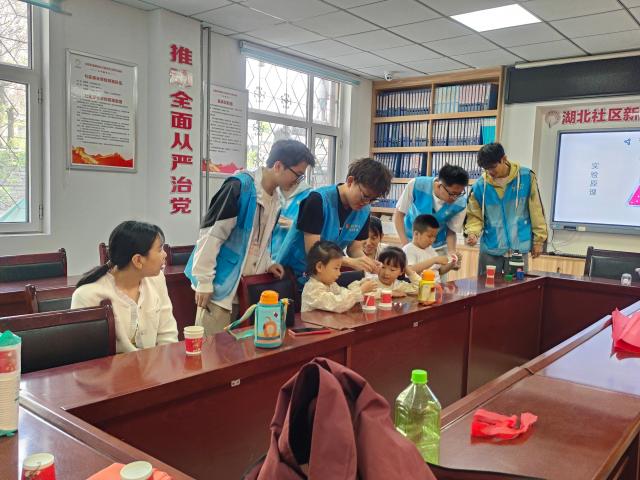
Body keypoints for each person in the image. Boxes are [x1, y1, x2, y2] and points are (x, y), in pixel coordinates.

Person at [185, 139, 315, 334]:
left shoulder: (276, 201)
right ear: (278, 166)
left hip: (246, 287)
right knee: (211, 346)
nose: (298, 182)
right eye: (297, 175)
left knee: (240, 347)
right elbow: (211, 235)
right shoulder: (239, 187)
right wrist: (204, 281)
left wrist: (268, 263)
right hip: (219, 286)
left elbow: (261, 240)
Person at [277, 157, 392, 285]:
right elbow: (313, 251)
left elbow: (354, 249)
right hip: (292, 274)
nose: (366, 202)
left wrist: (367, 263)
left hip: (323, 278)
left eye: (372, 200)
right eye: (365, 196)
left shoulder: (364, 211)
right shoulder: (317, 200)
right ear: (350, 181)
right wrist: (349, 262)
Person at [71, 221, 178, 353]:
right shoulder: (87, 296)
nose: (165, 254)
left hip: (152, 364)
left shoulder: (156, 279)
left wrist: (163, 363)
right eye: (160, 249)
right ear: (138, 260)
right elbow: (85, 353)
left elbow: (167, 334)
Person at [464, 142, 548, 275]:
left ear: (504, 159)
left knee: (517, 286)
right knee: (487, 286)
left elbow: (537, 211)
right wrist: (473, 233)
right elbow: (474, 216)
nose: (490, 172)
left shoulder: (526, 178)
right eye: (486, 169)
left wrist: (539, 240)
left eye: (493, 167)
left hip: (518, 246)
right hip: (491, 247)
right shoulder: (480, 186)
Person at [393, 164, 469, 255]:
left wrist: (452, 252)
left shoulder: (461, 203)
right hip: (411, 240)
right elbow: (399, 215)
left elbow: (451, 231)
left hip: (438, 245)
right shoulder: (416, 185)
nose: (455, 198)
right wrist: (406, 245)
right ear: (439, 185)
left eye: (459, 194)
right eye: (452, 193)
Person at [301, 241, 376, 313]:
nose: (339, 273)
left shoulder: (331, 285)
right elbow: (339, 304)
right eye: (336, 268)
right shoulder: (312, 290)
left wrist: (360, 284)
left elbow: (345, 293)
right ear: (319, 267)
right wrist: (361, 290)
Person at [402, 214, 457, 283]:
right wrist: (434, 260)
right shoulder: (409, 250)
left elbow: (440, 271)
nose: (433, 240)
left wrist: (452, 263)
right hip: (421, 287)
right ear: (416, 234)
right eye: (429, 236)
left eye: (435, 236)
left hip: (436, 286)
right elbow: (409, 271)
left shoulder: (430, 249)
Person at [352, 246, 421, 298]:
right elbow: (354, 292)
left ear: (401, 272)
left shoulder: (399, 286)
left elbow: (420, 288)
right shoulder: (370, 281)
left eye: (392, 270)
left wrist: (406, 268)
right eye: (383, 267)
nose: (386, 273)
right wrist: (389, 293)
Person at [270, 180, 312, 258]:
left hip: (294, 260)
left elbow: (314, 233)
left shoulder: (309, 197)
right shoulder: (270, 193)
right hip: (267, 258)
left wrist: (296, 227)